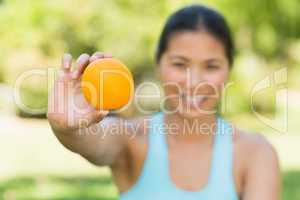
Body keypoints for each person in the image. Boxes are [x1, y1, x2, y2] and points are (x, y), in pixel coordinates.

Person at [47, 4, 280, 200]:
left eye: (211, 66)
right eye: (180, 64)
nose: (194, 82)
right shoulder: (131, 139)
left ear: (228, 69)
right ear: (159, 65)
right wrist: (66, 128)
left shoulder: (255, 153)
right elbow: (93, 142)